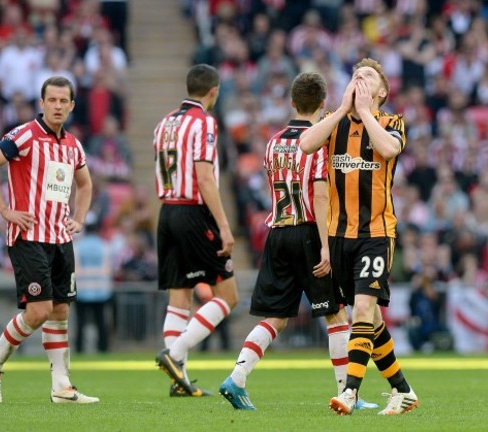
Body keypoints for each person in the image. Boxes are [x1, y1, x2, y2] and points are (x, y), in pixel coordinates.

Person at [218, 72, 378, 411]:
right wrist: (325, 245)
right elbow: (319, 195)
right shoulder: (319, 140)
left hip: (277, 231)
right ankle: (348, 394)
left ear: (292, 102)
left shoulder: (274, 141)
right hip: (308, 231)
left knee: (275, 317)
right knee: (335, 315)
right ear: (323, 104)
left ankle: (237, 377)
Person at [299, 58, 419, 416]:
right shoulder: (333, 125)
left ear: (382, 91)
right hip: (338, 235)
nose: (359, 81)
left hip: (376, 233)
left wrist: (365, 111)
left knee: (364, 309)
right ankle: (403, 391)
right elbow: (306, 144)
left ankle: (350, 391)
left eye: (367, 77)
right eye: (354, 77)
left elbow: (388, 149)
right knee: (372, 321)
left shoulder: (391, 122)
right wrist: (341, 110)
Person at [0, 76, 98, 404]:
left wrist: (79, 217)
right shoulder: (25, 135)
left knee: (59, 311)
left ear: (72, 105)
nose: (57, 106)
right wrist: (5, 210)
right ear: (41, 103)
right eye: (52, 100)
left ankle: (61, 386)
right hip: (28, 235)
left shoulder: (73, 145)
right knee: (39, 311)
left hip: (60, 237)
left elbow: (85, 185)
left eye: (64, 101)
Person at [153, 64, 239, 397]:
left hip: (168, 211)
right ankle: (174, 355)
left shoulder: (164, 123)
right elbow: (204, 176)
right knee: (227, 296)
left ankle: (180, 380)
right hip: (193, 213)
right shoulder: (204, 122)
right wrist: (224, 225)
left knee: (179, 296)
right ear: (213, 91)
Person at [73, 213, 114, 353]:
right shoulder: (105, 246)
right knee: (101, 322)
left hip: (82, 291)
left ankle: (79, 349)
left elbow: (76, 269)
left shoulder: (77, 246)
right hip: (100, 291)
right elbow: (107, 270)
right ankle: (103, 348)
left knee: (80, 323)